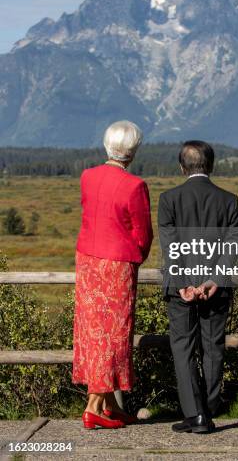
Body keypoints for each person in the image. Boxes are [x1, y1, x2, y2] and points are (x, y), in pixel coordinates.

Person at [73, 120, 153, 430]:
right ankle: (95, 407)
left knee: (93, 330)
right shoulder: (135, 186)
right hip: (117, 264)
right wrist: (136, 255)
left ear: (108, 145)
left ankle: (107, 405)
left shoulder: (87, 176)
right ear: (132, 152)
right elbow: (143, 234)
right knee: (114, 334)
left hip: (88, 262)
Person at [158, 141, 238, 434]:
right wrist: (214, 280)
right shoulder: (229, 200)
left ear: (183, 167)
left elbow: (171, 247)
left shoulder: (169, 199)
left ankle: (195, 414)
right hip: (216, 289)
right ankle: (209, 409)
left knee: (183, 348)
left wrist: (183, 283)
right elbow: (233, 245)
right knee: (213, 347)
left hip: (180, 289)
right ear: (211, 165)